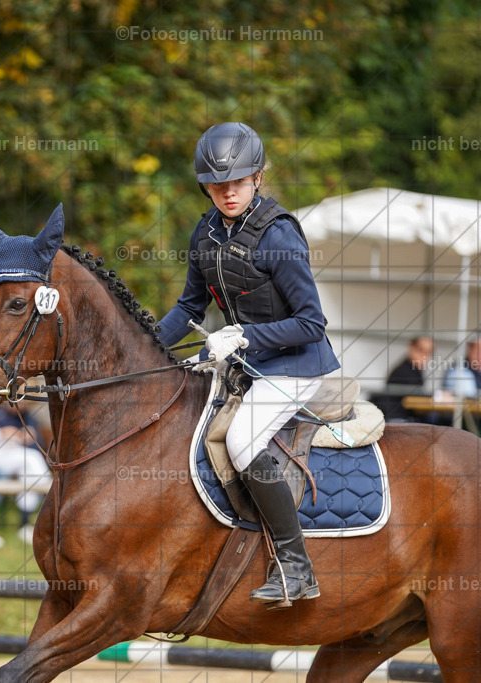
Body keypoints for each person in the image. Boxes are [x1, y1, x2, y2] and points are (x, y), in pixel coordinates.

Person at [156, 122, 339, 607]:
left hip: (298, 365)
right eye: (217, 185)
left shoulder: (278, 235)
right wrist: (148, 345)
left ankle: (297, 568)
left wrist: (241, 337)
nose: (227, 193)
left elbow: (312, 323)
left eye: (236, 182)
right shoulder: (206, 232)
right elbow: (190, 307)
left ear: (257, 177)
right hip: (250, 361)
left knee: (240, 440)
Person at [0, 404, 51, 549]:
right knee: (6, 471)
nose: (19, 404)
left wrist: (27, 438)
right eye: (16, 399)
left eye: (22, 401)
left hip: (10, 455)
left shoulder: (28, 417)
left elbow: (37, 446)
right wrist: (1, 434)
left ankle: (26, 523)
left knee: (33, 462)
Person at [379, 337, 434, 422]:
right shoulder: (405, 371)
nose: (424, 356)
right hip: (396, 419)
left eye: (428, 352)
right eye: (421, 350)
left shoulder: (414, 370)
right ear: (411, 348)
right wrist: (438, 396)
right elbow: (418, 397)